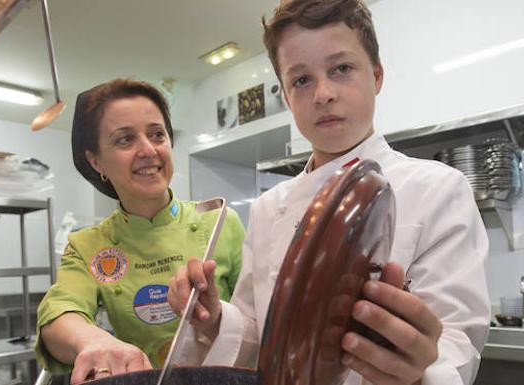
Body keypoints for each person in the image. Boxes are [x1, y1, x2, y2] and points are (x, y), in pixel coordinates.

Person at [167, 1, 490, 384]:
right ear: (287, 98)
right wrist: (216, 318)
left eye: (341, 69)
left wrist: (422, 373)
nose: (323, 93)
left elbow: (457, 341)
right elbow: (258, 332)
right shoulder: (270, 207)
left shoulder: (437, 188)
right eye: (301, 80)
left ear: (376, 76)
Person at [35, 79, 245, 384]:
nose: (148, 150)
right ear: (95, 160)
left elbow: (261, 316)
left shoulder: (221, 221)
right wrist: (95, 341)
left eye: (157, 134)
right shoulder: (88, 245)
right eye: (124, 140)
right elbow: (57, 315)